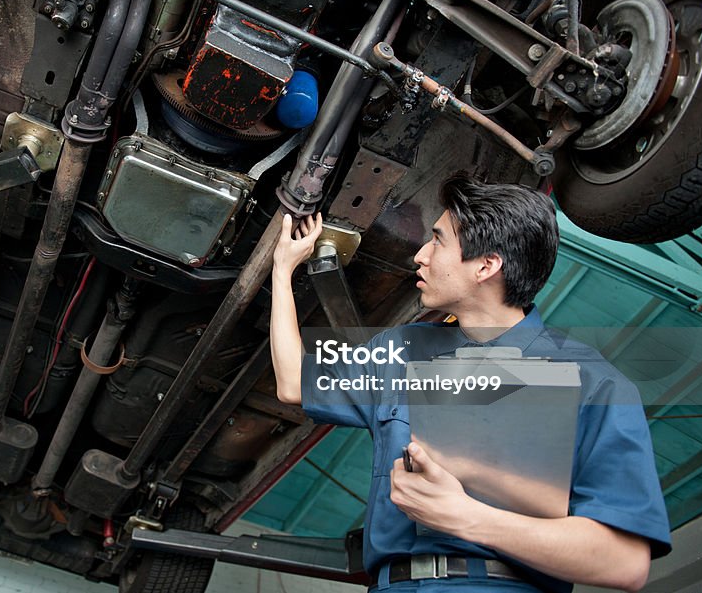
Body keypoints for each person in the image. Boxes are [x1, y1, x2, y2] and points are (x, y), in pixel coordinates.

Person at [270, 174, 671, 593]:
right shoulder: (402, 349)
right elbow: (294, 384)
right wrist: (282, 270)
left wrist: (468, 518)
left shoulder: (594, 384)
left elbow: (624, 563)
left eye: (439, 241)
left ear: (486, 265)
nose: (420, 256)